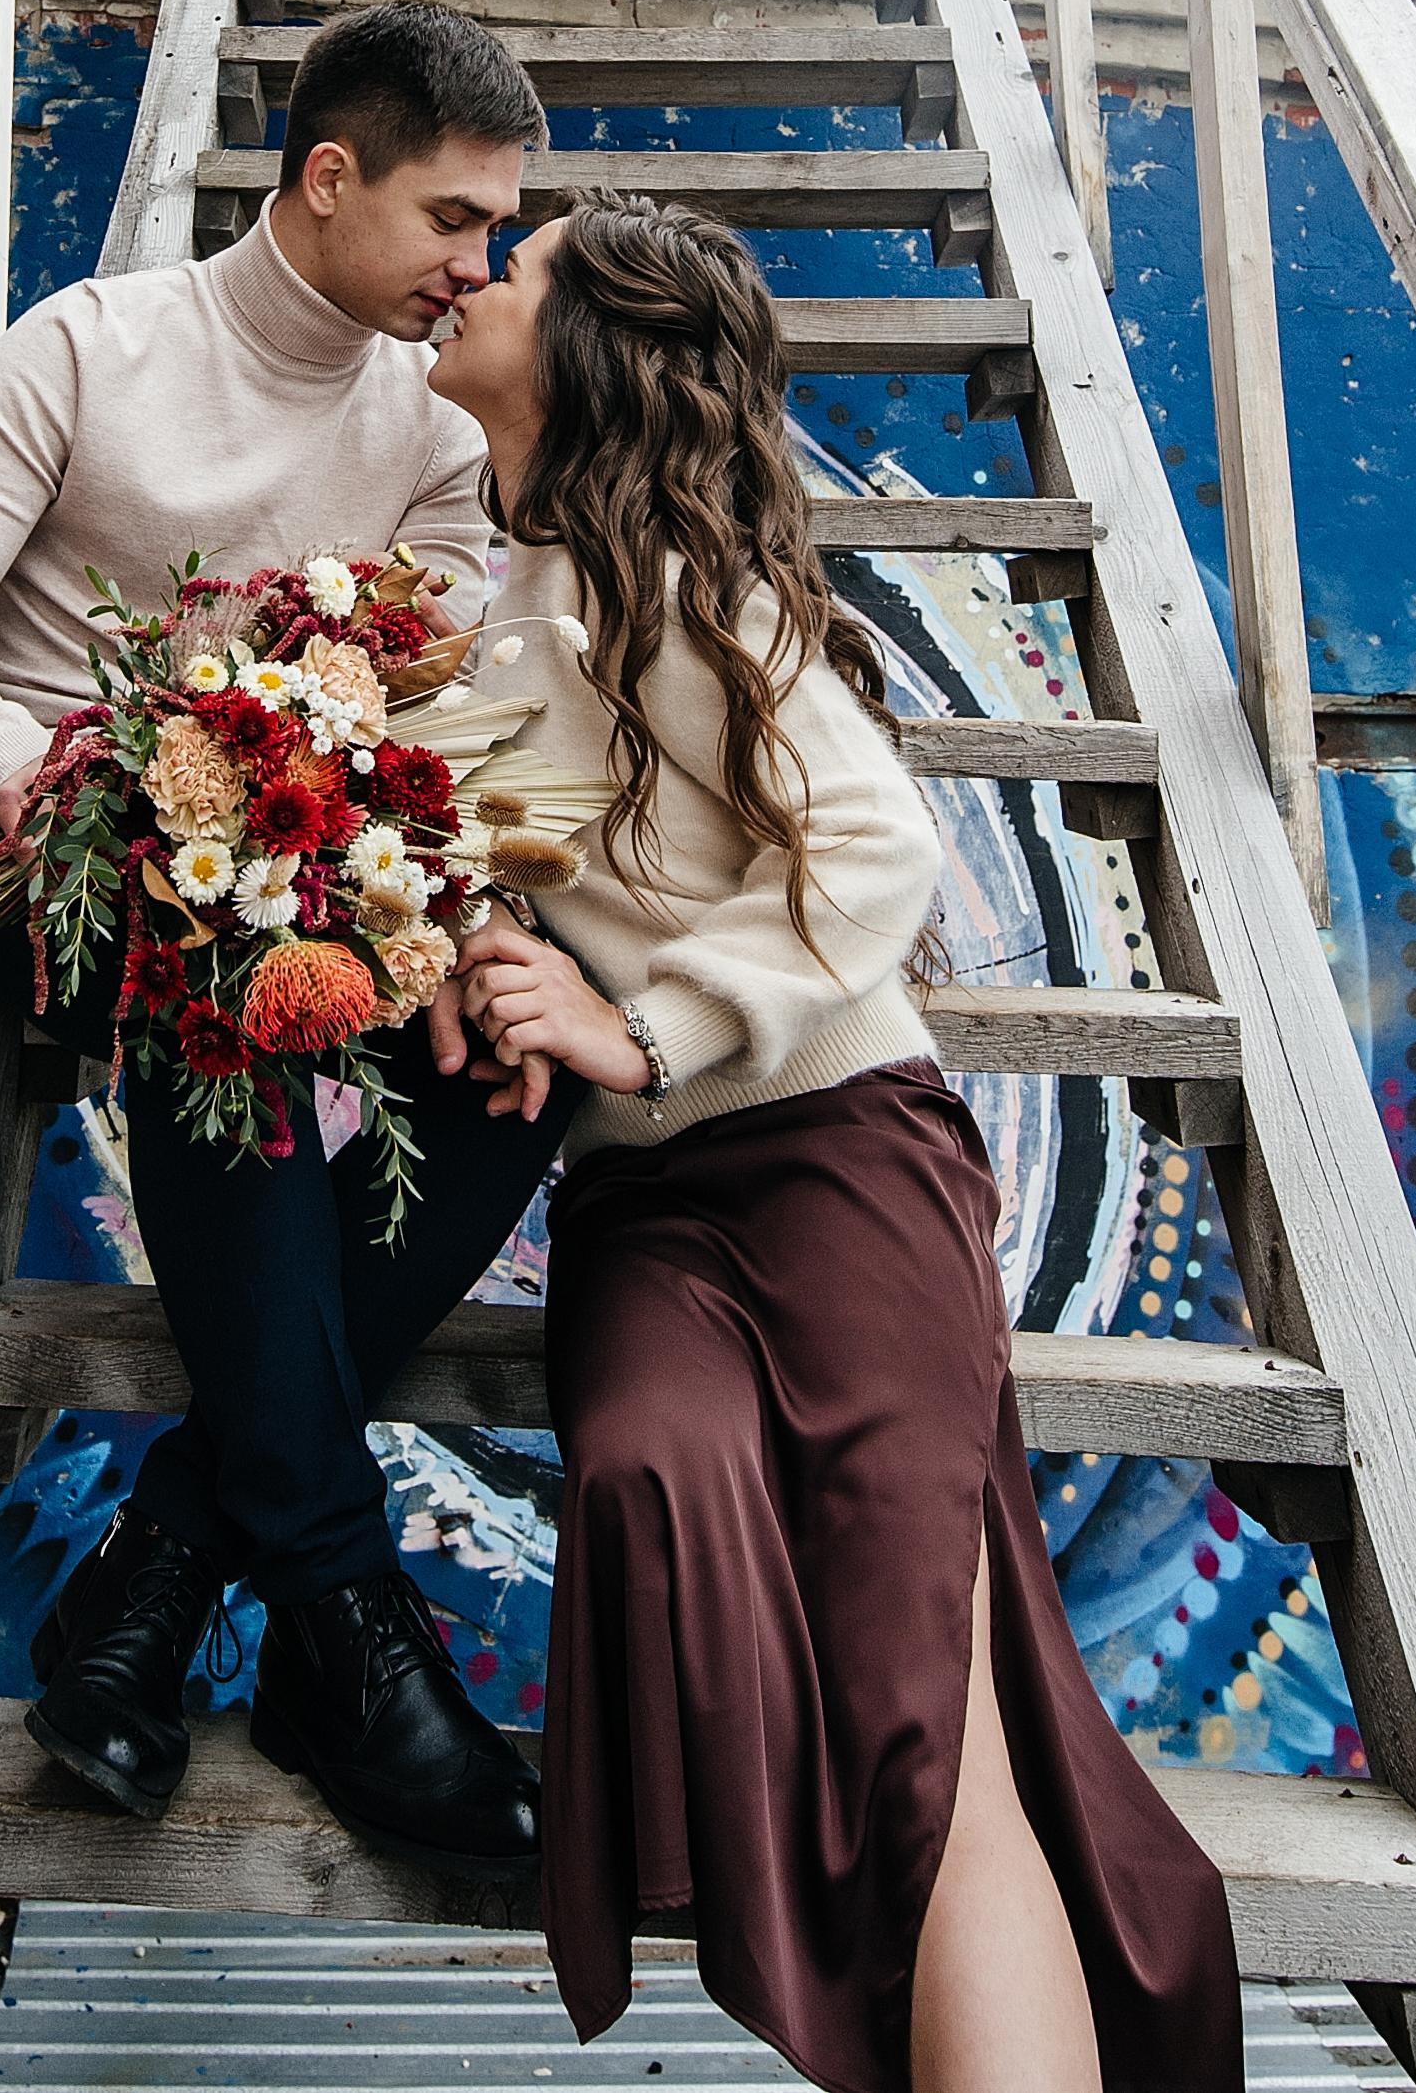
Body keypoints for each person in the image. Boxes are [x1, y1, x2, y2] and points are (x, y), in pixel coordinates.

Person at [424, 188, 1244, 2093]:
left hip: (837, 1168)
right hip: (646, 1208)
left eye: (512, 266)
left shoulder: (688, 590)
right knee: (640, 1466)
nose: (469, 276)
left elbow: (879, 852)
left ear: (591, 346)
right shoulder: (498, 601)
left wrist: (640, 1024)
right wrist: (482, 944)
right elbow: (520, 863)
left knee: (917, 1718)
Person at [0, 1, 579, 1874]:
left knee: (522, 1048)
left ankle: (158, 1568)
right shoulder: (91, 346)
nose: (479, 264)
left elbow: (419, 689)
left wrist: (440, 902)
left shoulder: (431, 421)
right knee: (219, 998)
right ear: (326, 178)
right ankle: (345, 1618)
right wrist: (16, 758)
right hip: (50, 869)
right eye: (454, 217)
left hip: (302, 868)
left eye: (497, 227)